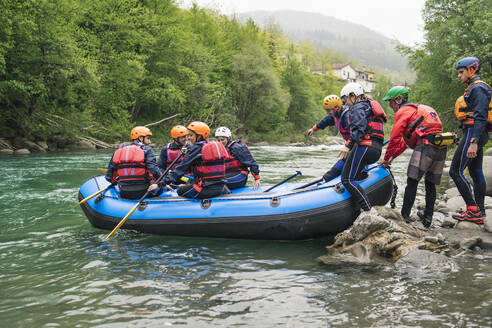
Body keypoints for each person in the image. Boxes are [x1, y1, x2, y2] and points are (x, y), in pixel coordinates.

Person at [381, 86, 447, 227]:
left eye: (391, 102)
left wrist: (386, 159)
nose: (390, 106)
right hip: (440, 145)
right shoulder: (416, 112)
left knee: (412, 181)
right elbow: (404, 143)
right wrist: (392, 157)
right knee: (430, 183)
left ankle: (404, 216)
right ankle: (428, 218)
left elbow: (394, 138)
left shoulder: (404, 111)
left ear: (398, 99)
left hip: (425, 146)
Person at [449, 57, 491, 225]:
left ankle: (472, 209)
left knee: (455, 171)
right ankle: (479, 211)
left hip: (474, 133)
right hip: (476, 133)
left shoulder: (478, 88)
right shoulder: (475, 88)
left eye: (461, 72)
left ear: (471, 70)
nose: (459, 76)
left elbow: (480, 116)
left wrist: (473, 141)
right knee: (475, 172)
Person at [339, 82, 386, 212]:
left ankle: (367, 210)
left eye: (345, 99)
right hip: (375, 150)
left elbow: (359, 130)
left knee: (347, 179)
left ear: (353, 96)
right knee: (354, 175)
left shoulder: (357, 108)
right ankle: (362, 185)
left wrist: (347, 146)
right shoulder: (368, 106)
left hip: (365, 147)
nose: (345, 104)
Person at [164, 121, 228, 199]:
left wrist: (162, 183)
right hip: (221, 187)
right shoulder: (209, 146)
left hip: (205, 189)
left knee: (180, 190)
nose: (188, 138)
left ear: (199, 136)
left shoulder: (195, 149)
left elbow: (180, 169)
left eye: (191, 135)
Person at [105, 126, 163, 199]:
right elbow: (154, 170)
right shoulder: (147, 150)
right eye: (148, 138)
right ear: (140, 138)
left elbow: (109, 177)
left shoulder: (119, 151)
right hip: (144, 192)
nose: (149, 142)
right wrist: (162, 183)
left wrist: (119, 182)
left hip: (124, 192)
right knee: (161, 188)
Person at [307, 94, 352, 182]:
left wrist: (347, 146)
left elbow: (355, 134)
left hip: (355, 143)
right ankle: (327, 178)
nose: (328, 112)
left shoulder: (347, 117)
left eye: (329, 110)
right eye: (326, 110)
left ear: (336, 108)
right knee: (343, 161)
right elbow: (326, 121)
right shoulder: (336, 115)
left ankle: (327, 178)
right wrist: (314, 128)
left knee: (344, 161)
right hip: (351, 144)